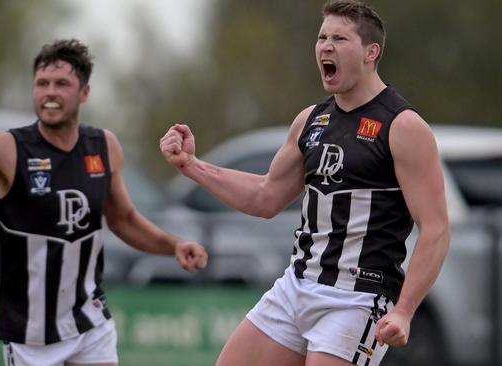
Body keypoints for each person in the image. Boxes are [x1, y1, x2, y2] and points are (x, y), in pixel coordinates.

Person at [160, 1, 449, 365]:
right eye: (322, 37)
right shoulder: (312, 120)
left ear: (370, 52)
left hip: (356, 298)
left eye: (340, 38)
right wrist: (191, 165)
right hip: (296, 285)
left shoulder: (403, 126)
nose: (326, 46)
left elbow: (436, 229)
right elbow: (266, 197)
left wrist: (404, 311)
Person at [0, 39, 208, 366]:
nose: (50, 92)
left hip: (89, 319)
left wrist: (173, 245)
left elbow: (123, 219)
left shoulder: (103, 145)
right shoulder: (5, 148)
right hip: (30, 332)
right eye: (42, 84)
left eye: (62, 84)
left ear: (84, 93)